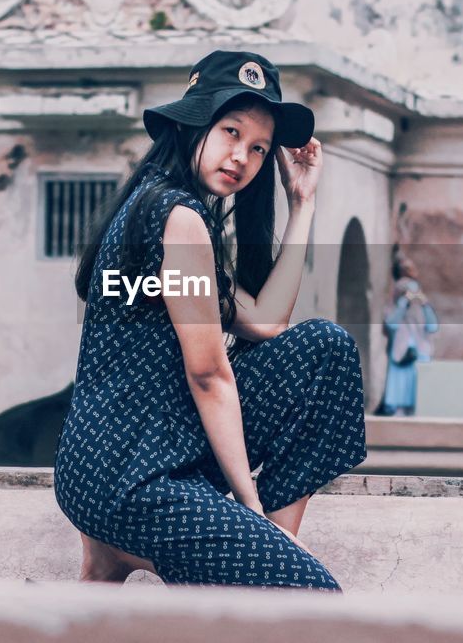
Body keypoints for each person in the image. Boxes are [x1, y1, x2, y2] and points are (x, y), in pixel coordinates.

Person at [54, 51, 366, 591]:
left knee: (323, 348)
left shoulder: (150, 205)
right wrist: (247, 506)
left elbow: (268, 324)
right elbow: (209, 375)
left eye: (259, 148)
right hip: (134, 473)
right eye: (230, 132)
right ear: (193, 121)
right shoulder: (179, 218)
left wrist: (303, 203)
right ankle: (262, 556)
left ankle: (253, 548)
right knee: (314, 596)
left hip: (112, 461)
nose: (241, 157)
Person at [377, 257, 438, 417]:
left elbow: (433, 327)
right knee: (398, 397)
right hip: (400, 353)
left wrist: (424, 304)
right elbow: (391, 324)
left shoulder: (422, 309)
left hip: (420, 355)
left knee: (419, 396)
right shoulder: (395, 306)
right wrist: (403, 303)